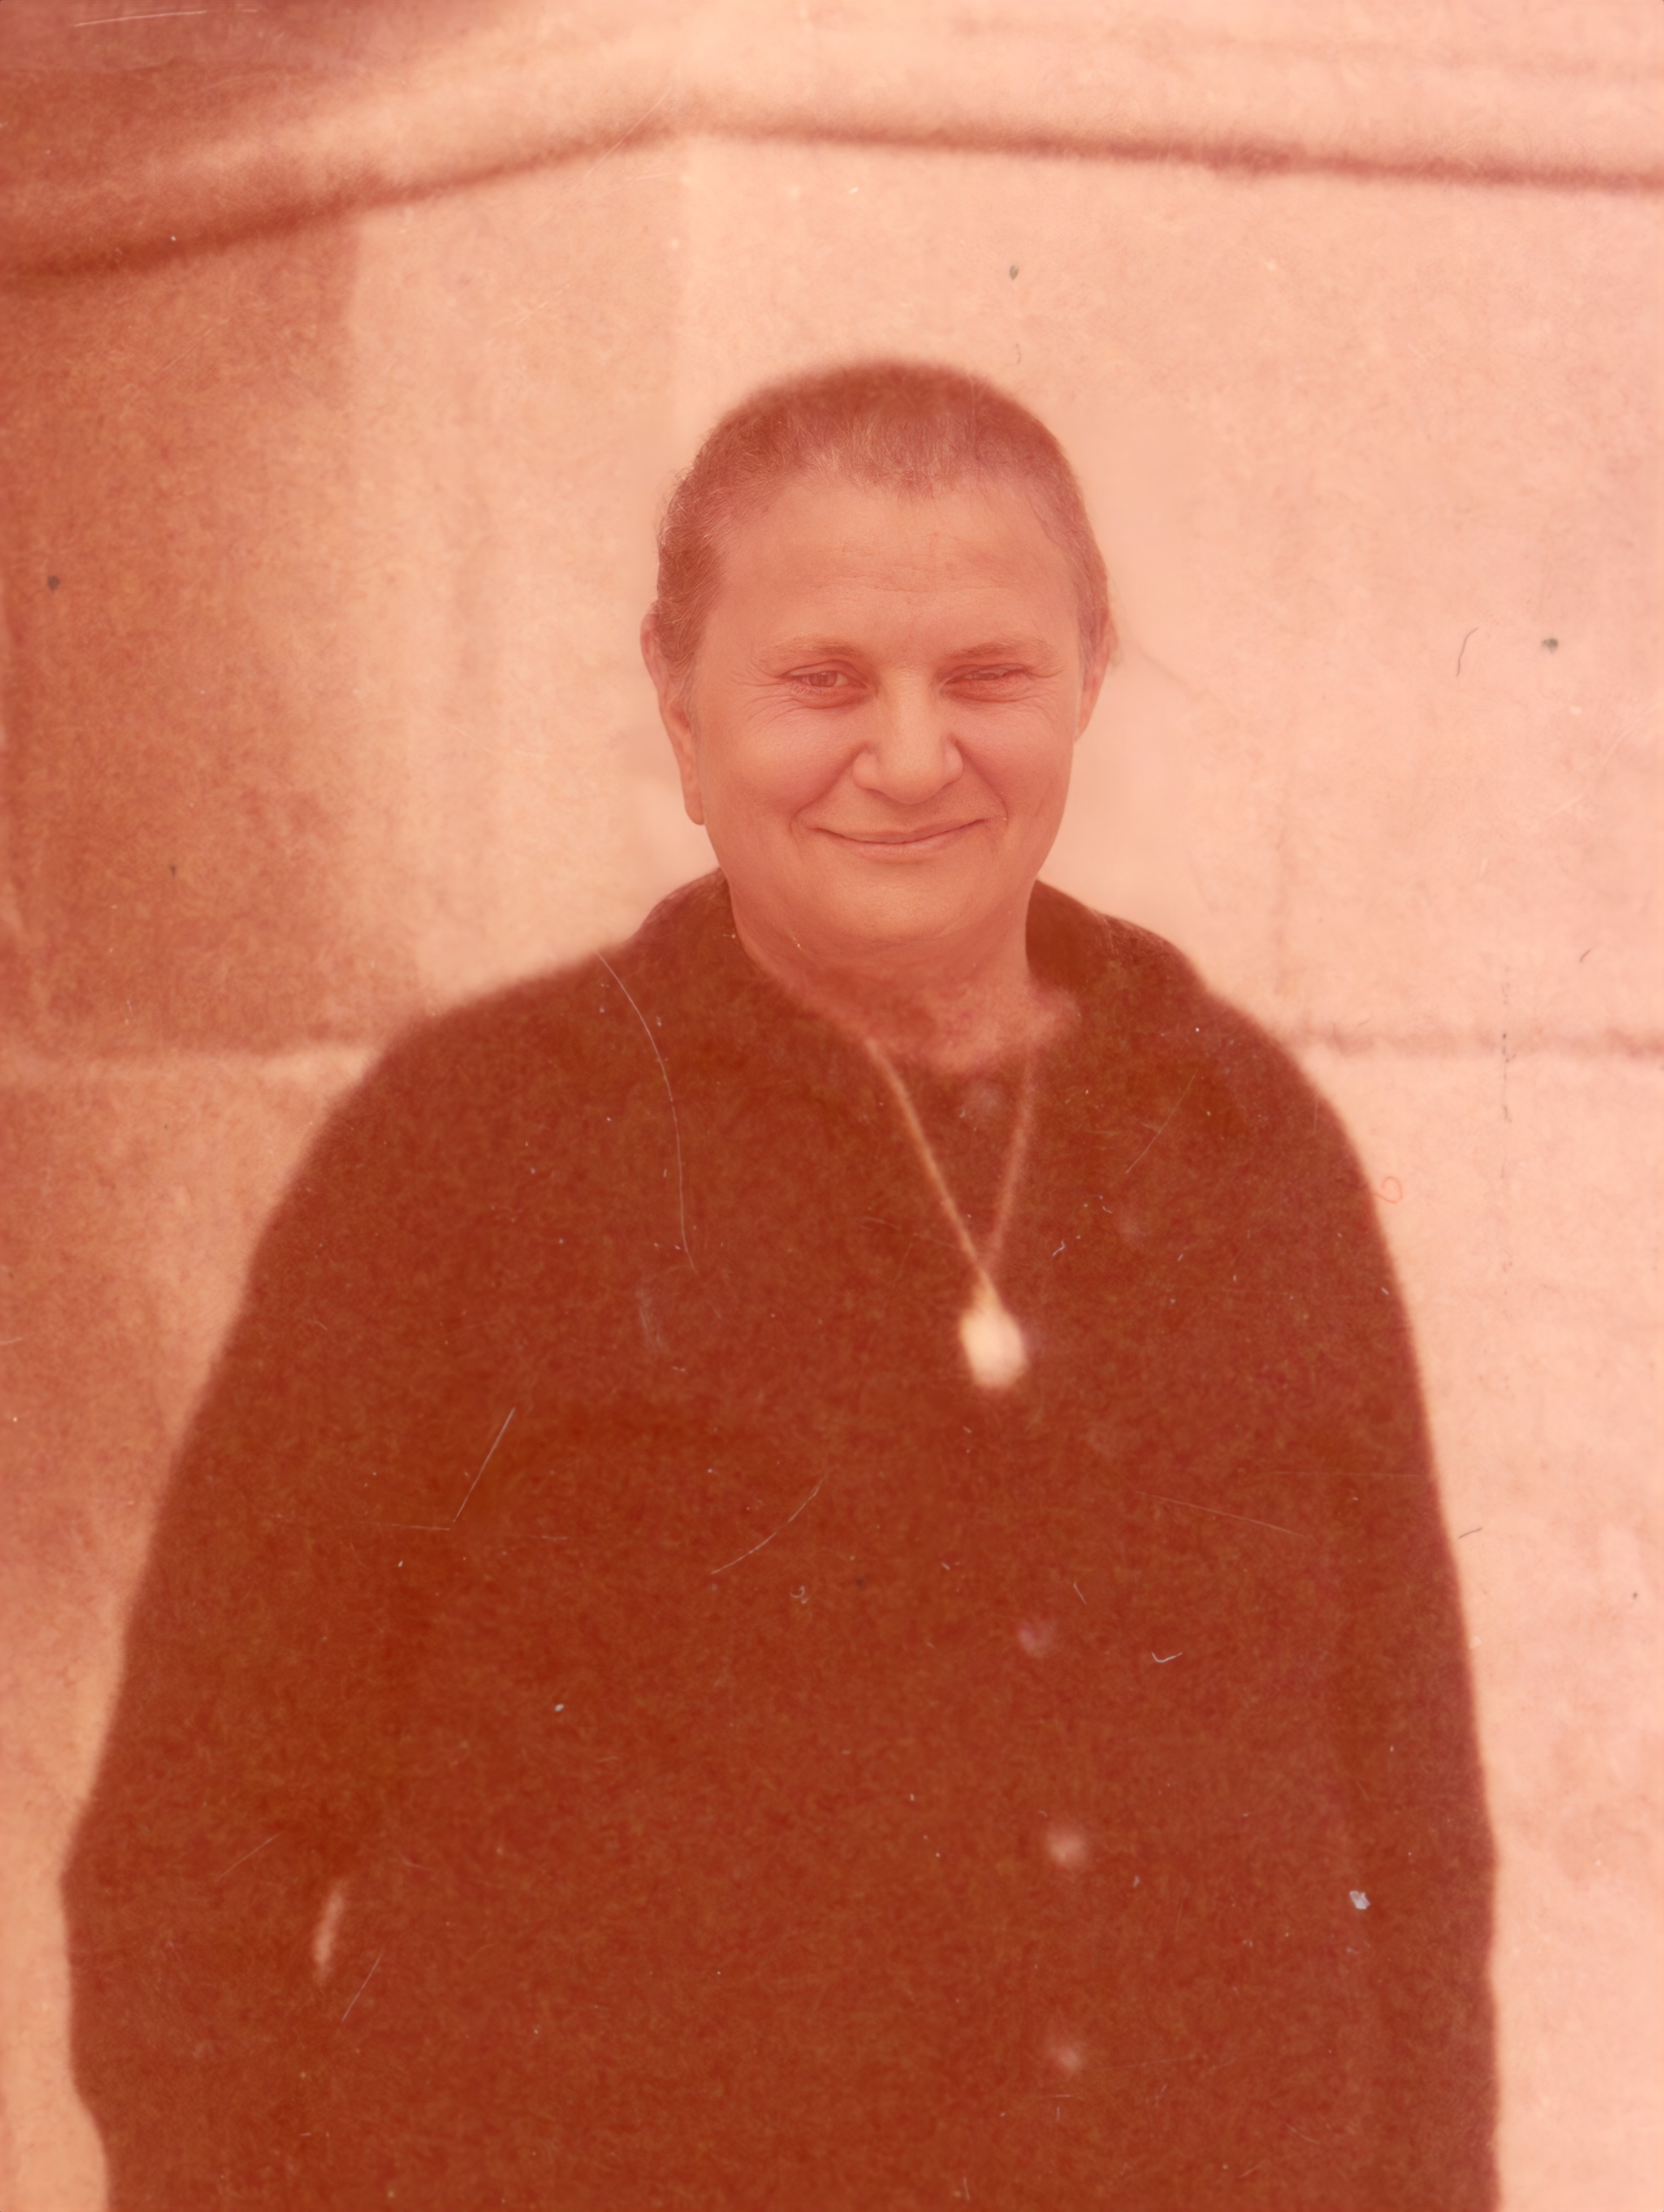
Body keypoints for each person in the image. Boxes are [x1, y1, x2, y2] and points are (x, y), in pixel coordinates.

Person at [66, 361, 1497, 2209]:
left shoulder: (1245, 1143)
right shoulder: (476, 1149)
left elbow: (1410, 1827)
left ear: (1088, 680)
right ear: (680, 708)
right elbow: (201, 1844)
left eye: (985, 676)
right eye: (820, 682)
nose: (908, 757)